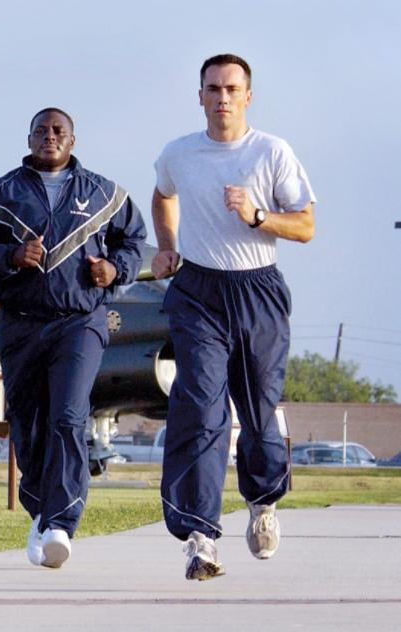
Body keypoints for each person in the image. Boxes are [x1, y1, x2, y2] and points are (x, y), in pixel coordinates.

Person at [151, 54, 316, 580]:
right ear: (199, 96)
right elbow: (162, 195)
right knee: (199, 408)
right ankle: (200, 537)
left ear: (248, 96)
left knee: (260, 415)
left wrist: (258, 215)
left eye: (232, 88)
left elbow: (307, 225)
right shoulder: (179, 153)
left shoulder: (272, 151)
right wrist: (167, 245)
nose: (222, 97)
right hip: (198, 289)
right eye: (213, 88)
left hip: (258, 288)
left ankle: (263, 501)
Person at [0, 107, 146, 569]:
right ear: (28, 138)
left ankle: (62, 522)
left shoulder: (105, 193)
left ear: (73, 140)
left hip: (80, 322)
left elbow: (135, 240)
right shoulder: (0, 194)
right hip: (21, 323)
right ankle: (41, 511)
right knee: (27, 420)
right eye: (41, 130)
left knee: (68, 417)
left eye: (58, 131)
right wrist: (9, 255)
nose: (49, 137)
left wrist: (114, 270)